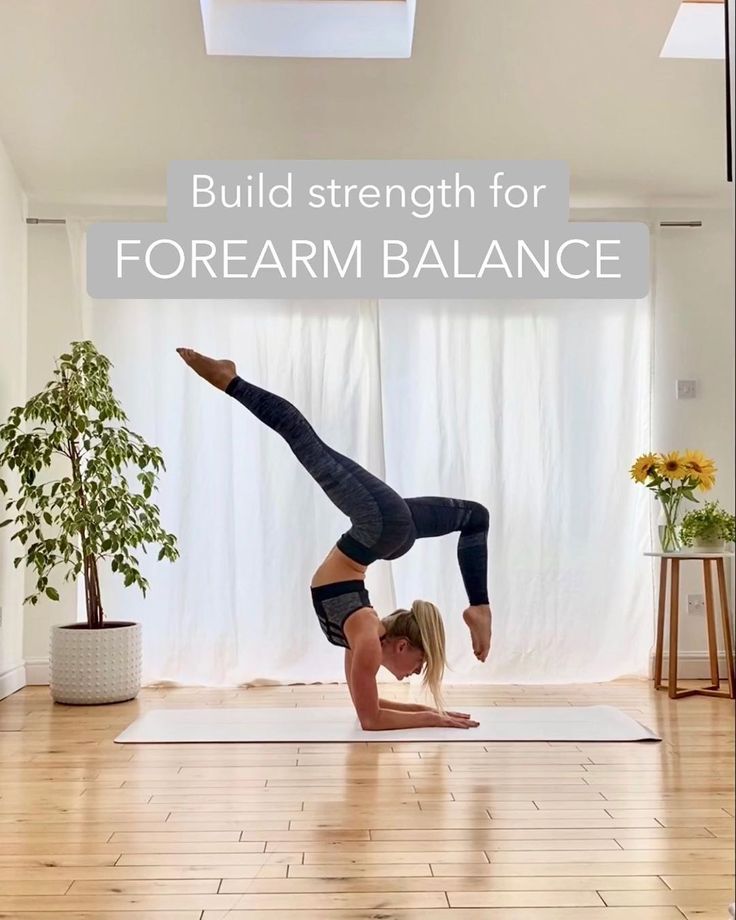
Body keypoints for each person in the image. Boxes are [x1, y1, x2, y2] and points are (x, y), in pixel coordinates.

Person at [177, 348, 492, 731]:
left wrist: (434, 714)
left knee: (476, 517)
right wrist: (431, 718)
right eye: (420, 664)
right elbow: (372, 719)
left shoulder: (366, 638)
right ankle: (230, 380)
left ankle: (480, 606)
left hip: (386, 534)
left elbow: (369, 710)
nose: (415, 674)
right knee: (303, 440)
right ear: (402, 646)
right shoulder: (366, 638)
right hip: (380, 528)